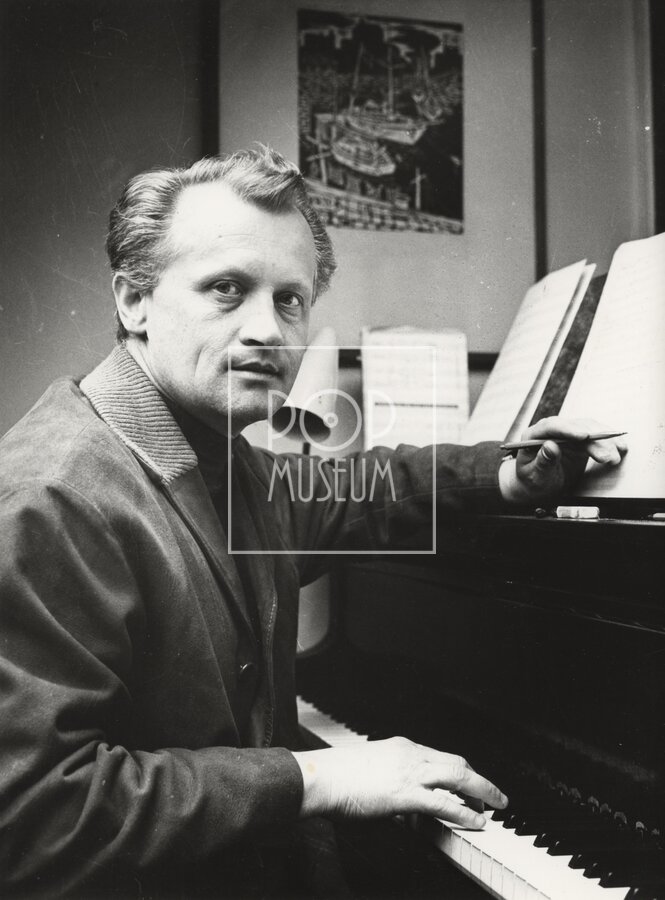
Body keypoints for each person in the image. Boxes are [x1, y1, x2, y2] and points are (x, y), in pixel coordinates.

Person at [0, 146, 626, 900]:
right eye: (227, 289)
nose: (268, 329)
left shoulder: (221, 459)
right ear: (134, 301)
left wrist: (511, 472)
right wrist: (318, 776)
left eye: (290, 299)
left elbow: (360, 491)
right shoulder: (53, 494)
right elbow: (33, 818)